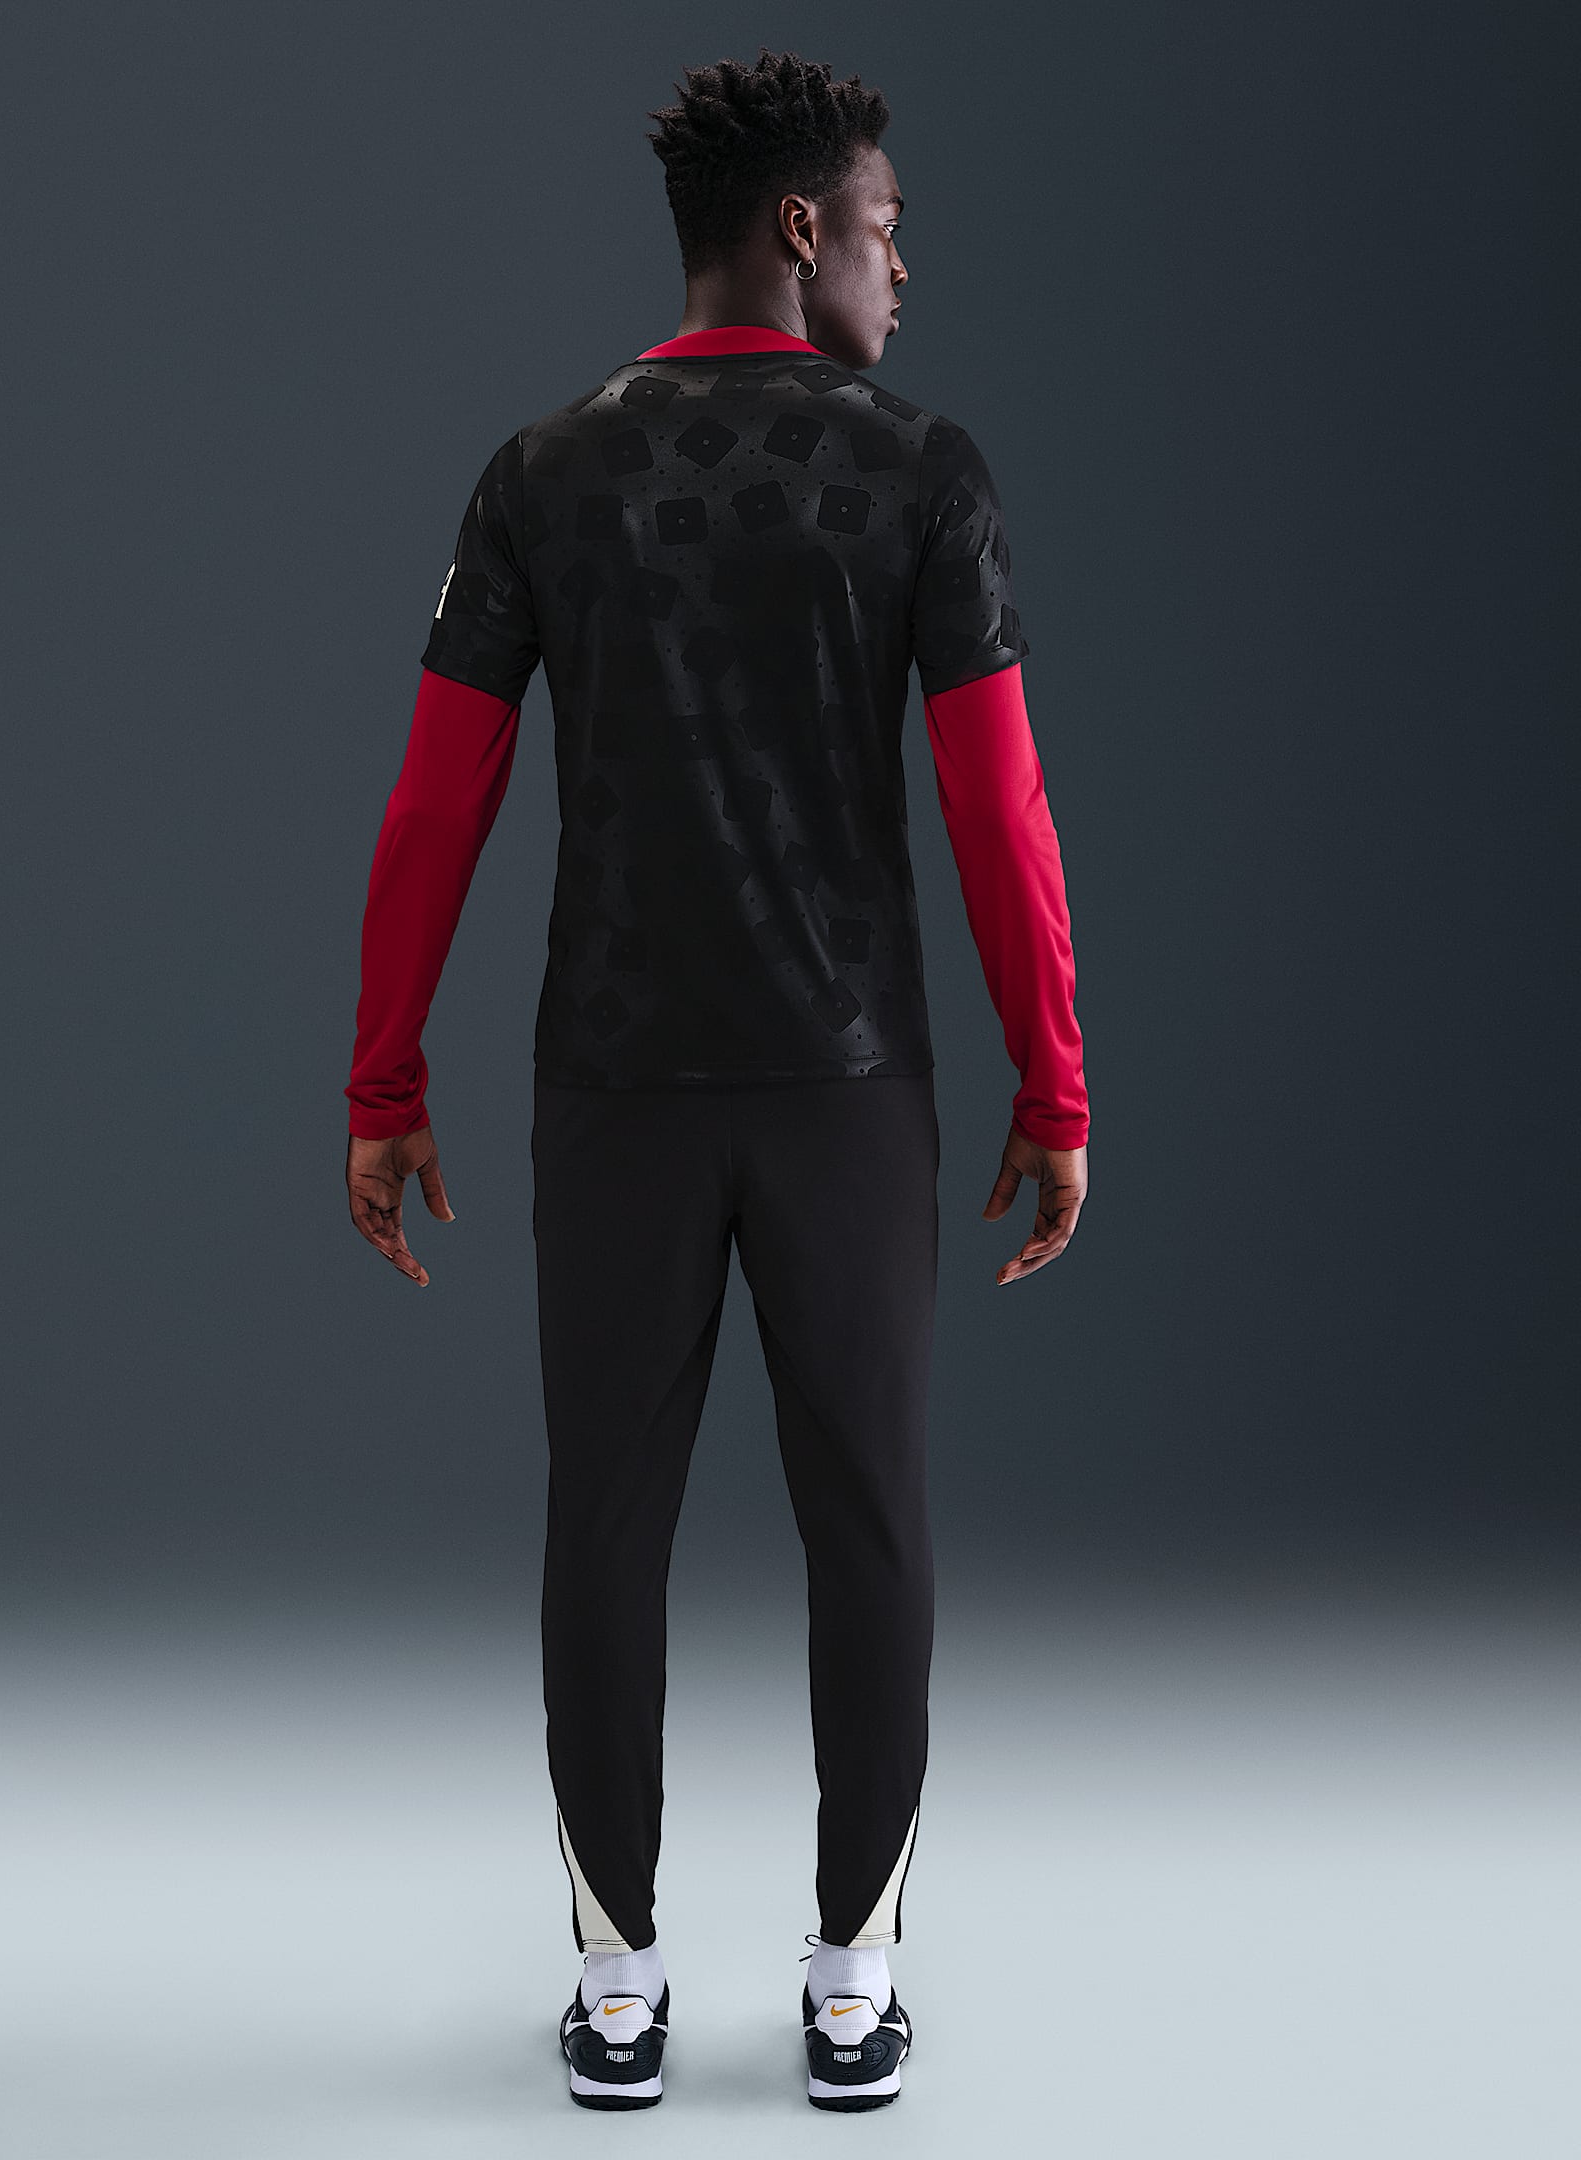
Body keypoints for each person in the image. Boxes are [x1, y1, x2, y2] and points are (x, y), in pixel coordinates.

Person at [343, 46, 1089, 2114]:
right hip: (846, 1085)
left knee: (605, 1520)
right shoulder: (923, 472)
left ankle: (618, 1990)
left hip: (613, 1084)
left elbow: (435, 805)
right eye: (887, 229)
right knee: (874, 1520)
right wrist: (1055, 1085)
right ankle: (852, 1985)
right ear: (800, 227)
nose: (902, 270)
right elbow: (1000, 811)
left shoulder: (541, 473)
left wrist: (383, 1078)